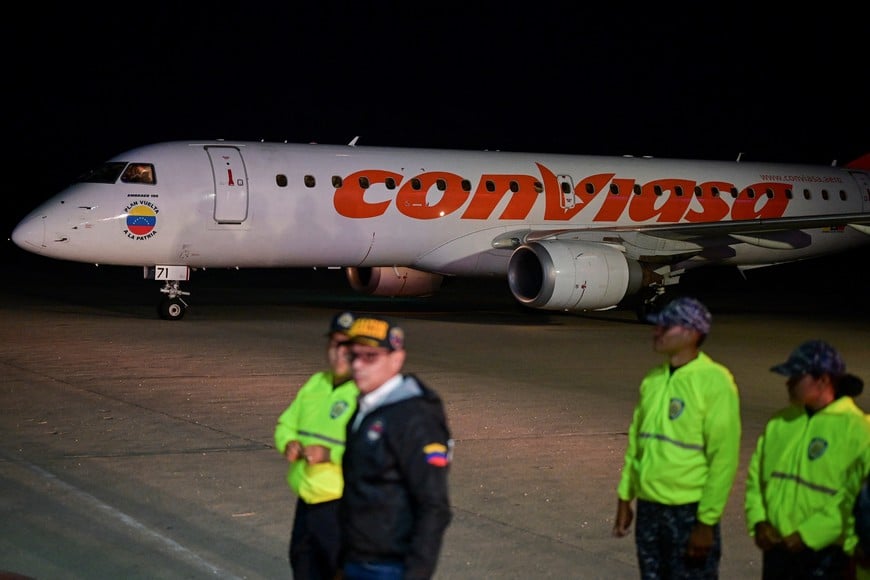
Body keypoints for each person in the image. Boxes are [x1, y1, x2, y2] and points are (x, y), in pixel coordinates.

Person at [613, 296, 741, 579]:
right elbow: (637, 442)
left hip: (688, 511)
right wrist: (625, 497)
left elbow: (724, 458)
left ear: (692, 333)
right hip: (649, 510)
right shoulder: (653, 380)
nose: (656, 332)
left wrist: (706, 522)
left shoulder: (715, 382)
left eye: (665, 327)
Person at [338, 315, 452, 580]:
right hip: (357, 559)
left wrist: (416, 573)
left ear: (396, 359)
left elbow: (434, 505)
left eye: (370, 356)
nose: (358, 365)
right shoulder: (367, 408)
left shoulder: (414, 419)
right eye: (354, 355)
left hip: (390, 567)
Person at [745, 339, 870, 580]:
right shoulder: (780, 423)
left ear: (823, 380)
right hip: (777, 550)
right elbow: (755, 478)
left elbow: (854, 498)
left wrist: (809, 534)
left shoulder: (857, 430)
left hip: (827, 554)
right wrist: (759, 521)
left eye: (796, 377)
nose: (788, 383)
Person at [274, 311, 359, 580]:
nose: (339, 353)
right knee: (302, 564)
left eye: (347, 346)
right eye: (335, 344)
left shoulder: (364, 395)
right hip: (308, 503)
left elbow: (375, 453)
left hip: (342, 506)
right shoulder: (315, 385)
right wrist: (289, 443)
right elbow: (285, 424)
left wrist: (329, 454)